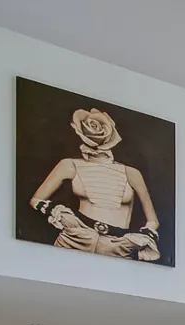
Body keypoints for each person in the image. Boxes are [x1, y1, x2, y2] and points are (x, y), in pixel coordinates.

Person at [28, 106, 161, 261]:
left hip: (117, 245)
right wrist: (63, 217)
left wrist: (132, 241)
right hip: (74, 238)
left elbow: (153, 220)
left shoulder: (131, 173)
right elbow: (36, 199)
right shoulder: (69, 164)